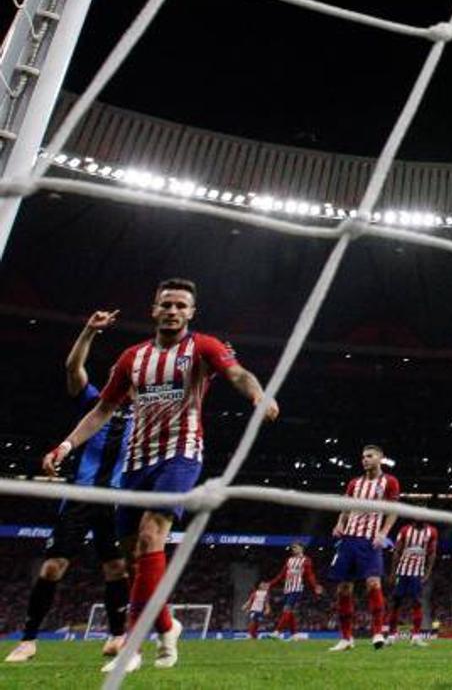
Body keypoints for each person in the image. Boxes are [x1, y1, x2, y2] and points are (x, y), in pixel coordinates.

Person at [42, 279, 278, 673]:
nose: (173, 310)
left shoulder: (203, 347)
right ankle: (168, 625)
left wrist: (258, 395)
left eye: (180, 305)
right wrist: (65, 446)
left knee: (153, 534)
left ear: (191, 313)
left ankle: (131, 647)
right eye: (166, 304)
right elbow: (101, 410)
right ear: (154, 310)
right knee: (137, 557)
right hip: (135, 464)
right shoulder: (132, 357)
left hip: (181, 456)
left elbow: (238, 373)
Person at [7, 311, 131, 665]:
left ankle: (117, 636)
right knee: (52, 568)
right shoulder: (94, 402)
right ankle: (28, 640)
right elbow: (72, 370)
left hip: (117, 500)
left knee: (116, 569)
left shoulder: (144, 413)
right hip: (80, 496)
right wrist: (89, 332)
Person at [327, 444, 400, 651]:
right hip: (349, 540)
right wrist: (340, 523)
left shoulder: (390, 481)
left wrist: (384, 532)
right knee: (344, 588)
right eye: (363, 457)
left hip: (370, 541)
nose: (365, 459)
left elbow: (393, 510)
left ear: (380, 458)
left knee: (374, 584)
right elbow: (347, 507)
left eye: (370, 456)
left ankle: (377, 633)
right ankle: (346, 638)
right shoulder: (354, 483)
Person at [388, 520, 438, 646]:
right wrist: (393, 573)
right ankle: (391, 635)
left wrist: (427, 573)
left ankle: (416, 636)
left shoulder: (432, 532)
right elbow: (397, 551)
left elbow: (432, 554)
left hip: (417, 573)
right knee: (396, 602)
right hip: (402, 571)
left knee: (417, 602)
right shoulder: (405, 530)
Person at [267, 542, 322, 640]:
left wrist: (315, 586)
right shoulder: (289, 560)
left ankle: (277, 632)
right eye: (293, 548)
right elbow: (281, 574)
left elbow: (310, 575)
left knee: (287, 609)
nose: (294, 549)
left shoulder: (306, 560)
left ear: (301, 548)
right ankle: (294, 634)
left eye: (296, 547)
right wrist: (270, 584)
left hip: (297, 589)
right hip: (287, 589)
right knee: (290, 612)